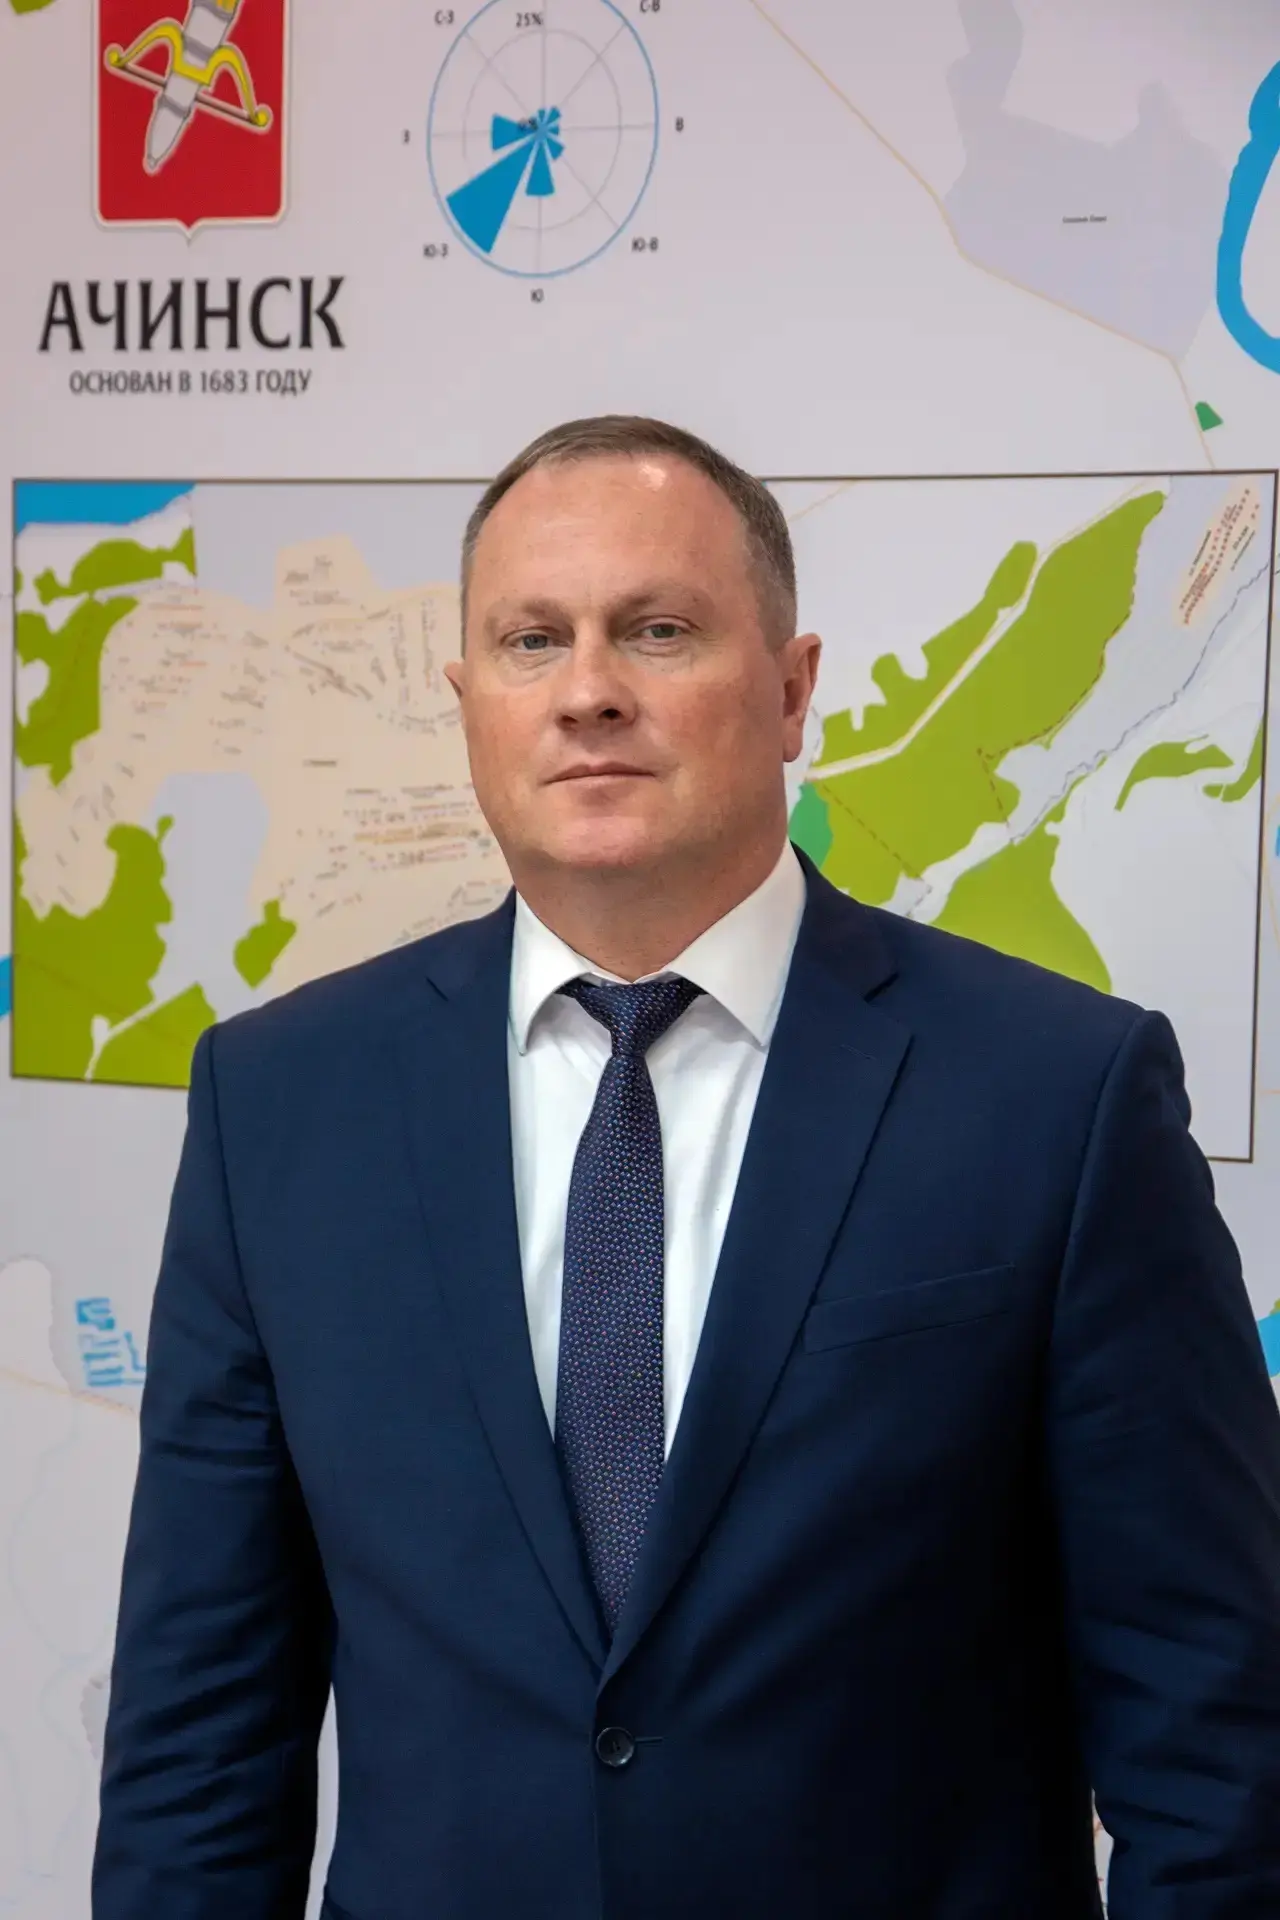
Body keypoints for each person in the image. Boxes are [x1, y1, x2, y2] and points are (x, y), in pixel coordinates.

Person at [93, 416, 1280, 1920]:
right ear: (467, 704)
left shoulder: (1059, 1096)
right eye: (532, 640)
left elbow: (1213, 1731)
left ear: (791, 690)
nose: (588, 690)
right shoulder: (279, 1105)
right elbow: (201, 1733)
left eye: (657, 630)